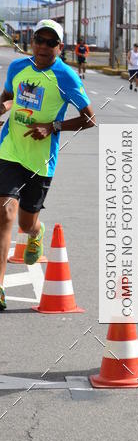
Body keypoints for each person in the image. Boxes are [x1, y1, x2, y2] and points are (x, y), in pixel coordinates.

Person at [0, 19, 96, 311]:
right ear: (33, 41)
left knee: (26, 222)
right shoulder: (18, 68)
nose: (43, 46)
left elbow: (89, 119)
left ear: (60, 47)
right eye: (39, 40)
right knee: (5, 213)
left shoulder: (65, 77)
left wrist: (53, 126)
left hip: (41, 161)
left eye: (50, 42)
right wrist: (2, 107)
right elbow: (9, 97)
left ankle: (35, 234)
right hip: (10, 150)